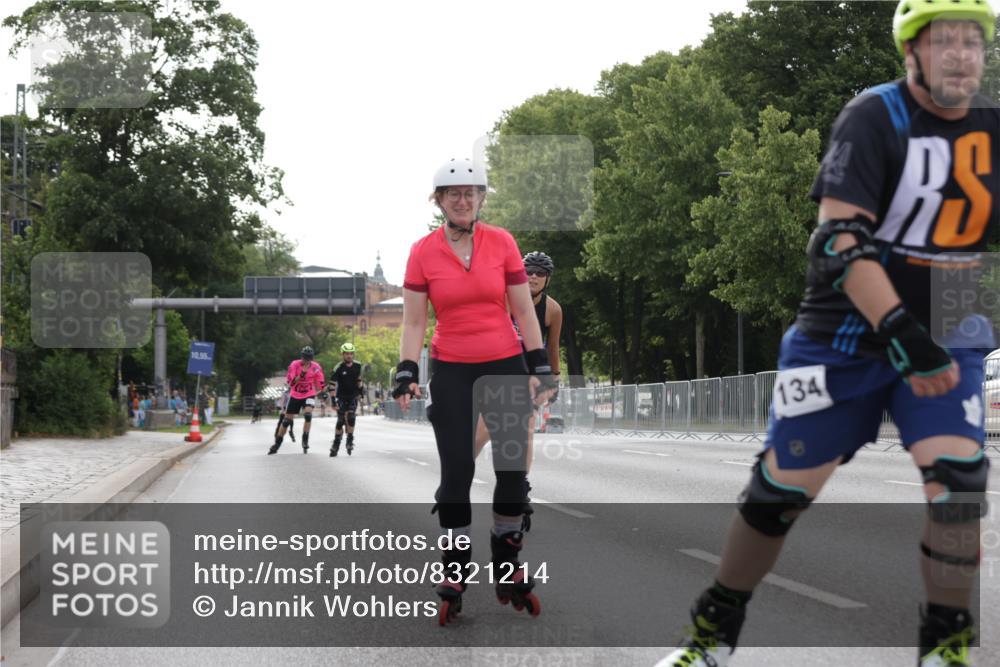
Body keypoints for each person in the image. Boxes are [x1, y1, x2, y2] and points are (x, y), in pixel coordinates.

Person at [656, 2, 996, 666]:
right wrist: (901, 333)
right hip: (843, 330)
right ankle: (711, 634)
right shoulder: (875, 116)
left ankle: (947, 644)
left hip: (951, 314)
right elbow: (838, 240)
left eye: (973, 41)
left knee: (959, 485)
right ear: (911, 53)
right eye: (943, 40)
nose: (961, 54)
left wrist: (933, 334)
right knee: (778, 496)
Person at [393, 158, 557, 625]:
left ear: (481, 197)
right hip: (451, 367)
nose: (462, 200)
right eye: (453, 194)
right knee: (457, 471)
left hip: (504, 362)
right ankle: (455, 569)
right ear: (439, 201)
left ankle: (507, 563)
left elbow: (523, 310)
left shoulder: (502, 242)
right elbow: (414, 321)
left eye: (470, 193)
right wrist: (407, 370)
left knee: (511, 470)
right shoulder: (422, 252)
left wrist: (539, 364)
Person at [472, 251, 563, 527]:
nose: (533, 277)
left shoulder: (552, 309)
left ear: (547, 279)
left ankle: (520, 487)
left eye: (540, 273)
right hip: (500, 368)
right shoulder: (504, 298)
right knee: (484, 429)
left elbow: (553, 348)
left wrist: (554, 379)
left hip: (530, 375)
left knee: (526, 430)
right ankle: (459, 475)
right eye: (528, 271)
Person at [269, 346, 324, 455]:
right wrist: (302, 374)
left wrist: (323, 391)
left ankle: (305, 439)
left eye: (308, 359)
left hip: (309, 394)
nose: (306, 361)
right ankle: (277, 443)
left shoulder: (316, 367)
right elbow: (291, 383)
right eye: (304, 358)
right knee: (286, 421)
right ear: (301, 357)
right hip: (295, 394)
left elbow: (320, 381)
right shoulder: (294, 365)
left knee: (308, 415)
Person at [330, 342, 364, 456]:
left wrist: (361, 391)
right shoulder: (338, 367)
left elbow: (359, 379)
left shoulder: (358, 365)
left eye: (351, 353)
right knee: (340, 421)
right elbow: (332, 385)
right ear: (343, 355)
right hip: (341, 397)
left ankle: (349, 440)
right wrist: (333, 400)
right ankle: (336, 443)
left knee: (351, 418)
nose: (349, 356)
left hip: (353, 396)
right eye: (347, 354)